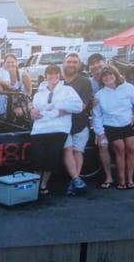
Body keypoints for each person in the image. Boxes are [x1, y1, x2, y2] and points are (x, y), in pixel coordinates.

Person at [29, 64, 84, 195]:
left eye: (56, 73)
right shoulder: (39, 93)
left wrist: (57, 107)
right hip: (39, 129)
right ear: (46, 76)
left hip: (59, 129)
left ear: (59, 75)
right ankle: (36, 184)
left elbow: (78, 106)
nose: (53, 76)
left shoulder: (68, 90)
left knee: (51, 158)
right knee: (37, 157)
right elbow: (35, 110)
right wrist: (33, 110)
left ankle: (43, 185)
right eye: (50, 73)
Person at [92, 65, 134, 190]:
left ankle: (130, 179)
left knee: (131, 148)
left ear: (115, 75)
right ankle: (121, 181)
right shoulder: (99, 95)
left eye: (110, 74)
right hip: (111, 125)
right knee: (120, 149)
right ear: (101, 79)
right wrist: (100, 133)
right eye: (104, 76)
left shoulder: (128, 87)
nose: (108, 77)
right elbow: (96, 115)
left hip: (128, 123)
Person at [62, 53, 93, 195]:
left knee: (77, 151)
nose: (71, 64)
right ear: (64, 62)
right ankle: (76, 180)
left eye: (75, 62)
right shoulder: (58, 79)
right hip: (61, 124)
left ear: (79, 64)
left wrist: (62, 107)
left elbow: (83, 105)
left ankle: (74, 181)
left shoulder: (85, 82)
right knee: (67, 151)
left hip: (80, 123)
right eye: (69, 61)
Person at [87, 53, 114, 188]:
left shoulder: (115, 80)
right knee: (103, 144)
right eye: (93, 64)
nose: (96, 66)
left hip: (115, 120)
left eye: (99, 63)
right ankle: (108, 176)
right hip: (99, 120)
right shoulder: (89, 84)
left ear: (105, 63)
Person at [4, 53, 32, 118]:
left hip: (23, 101)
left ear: (16, 63)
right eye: (7, 62)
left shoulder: (23, 74)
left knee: (20, 113)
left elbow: (29, 90)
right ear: (4, 64)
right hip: (8, 103)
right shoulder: (2, 74)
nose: (10, 64)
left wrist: (20, 105)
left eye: (12, 62)